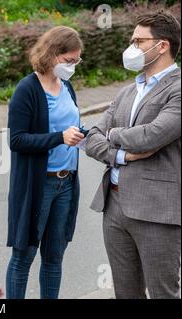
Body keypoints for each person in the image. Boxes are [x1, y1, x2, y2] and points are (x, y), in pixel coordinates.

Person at [85, 11, 181, 299]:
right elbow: (91, 139)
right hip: (114, 205)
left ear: (162, 45)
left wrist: (113, 134)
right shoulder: (128, 90)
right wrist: (123, 156)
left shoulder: (177, 89)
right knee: (126, 293)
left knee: (163, 292)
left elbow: (152, 135)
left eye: (138, 41)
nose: (131, 48)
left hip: (157, 211)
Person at [6, 26, 84, 299]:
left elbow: (71, 125)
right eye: (68, 61)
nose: (72, 66)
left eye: (76, 61)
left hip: (66, 183)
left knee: (54, 258)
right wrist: (59, 138)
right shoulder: (27, 89)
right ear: (52, 55)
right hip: (39, 185)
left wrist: (81, 135)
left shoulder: (67, 86)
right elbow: (17, 140)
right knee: (23, 256)